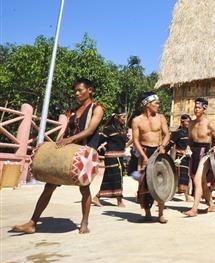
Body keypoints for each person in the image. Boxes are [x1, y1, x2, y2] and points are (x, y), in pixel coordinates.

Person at [13, 78, 104, 234]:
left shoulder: (97, 108)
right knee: (49, 186)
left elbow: (90, 130)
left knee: (84, 188)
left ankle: (84, 223)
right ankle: (33, 222)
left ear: (90, 90)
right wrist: (57, 145)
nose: (77, 93)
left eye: (80, 90)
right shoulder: (74, 110)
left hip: (84, 153)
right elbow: (65, 131)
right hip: (69, 151)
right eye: (75, 90)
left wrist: (70, 139)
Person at [132, 92, 171, 223]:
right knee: (145, 183)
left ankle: (160, 213)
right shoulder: (137, 120)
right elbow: (136, 140)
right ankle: (147, 212)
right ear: (147, 104)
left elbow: (167, 134)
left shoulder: (161, 118)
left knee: (161, 181)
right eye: (156, 103)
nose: (158, 105)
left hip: (158, 151)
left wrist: (163, 145)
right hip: (144, 151)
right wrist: (143, 156)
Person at [184, 97, 215, 217]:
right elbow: (190, 139)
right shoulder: (191, 124)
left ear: (204, 109)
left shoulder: (209, 124)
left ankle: (194, 209)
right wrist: (188, 148)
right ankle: (212, 204)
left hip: (206, 152)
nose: (196, 109)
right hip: (195, 152)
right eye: (195, 107)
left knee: (197, 180)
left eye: (198, 107)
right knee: (202, 181)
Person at [93, 107, 129, 207]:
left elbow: (125, 143)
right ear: (117, 117)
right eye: (123, 117)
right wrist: (93, 149)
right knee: (116, 177)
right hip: (111, 156)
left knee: (114, 178)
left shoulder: (122, 129)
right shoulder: (108, 129)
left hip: (120, 156)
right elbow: (100, 140)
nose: (124, 119)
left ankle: (97, 197)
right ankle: (119, 200)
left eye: (125, 117)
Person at [170, 114, 193, 201]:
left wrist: (190, 150)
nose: (188, 123)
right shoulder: (177, 133)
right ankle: (171, 194)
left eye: (189, 121)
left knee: (187, 176)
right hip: (179, 158)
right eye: (187, 121)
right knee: (178, 176)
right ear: (182, 122)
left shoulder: (191, 132)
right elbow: (172, 146)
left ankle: (187, 195)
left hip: (189, 157)